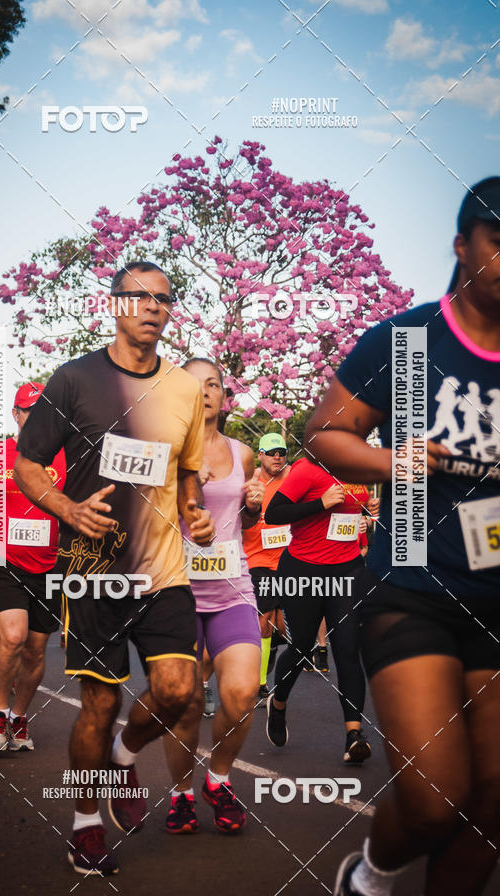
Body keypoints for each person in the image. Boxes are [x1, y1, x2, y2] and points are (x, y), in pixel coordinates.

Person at [304, 178, 500, 896]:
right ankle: (371, 875)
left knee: (491, 808)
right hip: (414, 583)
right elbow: (323, 433)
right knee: (436, 797)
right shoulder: (412, 341)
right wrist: (395, 460)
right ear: (463, 246)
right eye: (497, 240)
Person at [14, 261, 214, 876]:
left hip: (163, 568)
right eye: (142, 297)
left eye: (165, 299)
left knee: (182, 690)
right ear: (116, 305)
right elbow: (27, 463)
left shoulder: (183, 388)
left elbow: (187, 476)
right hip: (95, 568)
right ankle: (85, 824)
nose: (155, 307)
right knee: (98, 704)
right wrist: (65, 506)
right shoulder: (74, 378)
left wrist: (195, 513)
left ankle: (127, 757)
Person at [163, 358, 263, 835]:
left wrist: (256, 506)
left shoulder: (243, 454)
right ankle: (181, 793)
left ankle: (218, 780)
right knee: (182, 704)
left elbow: (246, 521)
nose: (204, 391)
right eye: (194, 383)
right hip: (177, 593)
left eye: (214, 384)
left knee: (242, 692)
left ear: (225, 396)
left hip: (232, 590)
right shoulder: (163, 453)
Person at [0, 382, 67, 752]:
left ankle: (19, 717)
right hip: (3, 557)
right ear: (16, 414)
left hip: (51, 564)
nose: (35, 418)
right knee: (12, 636)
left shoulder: (64, 458)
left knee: (36, 650)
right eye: (28, 411)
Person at [263, 459, 372, 764]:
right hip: (304, 569)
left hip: (348, 568)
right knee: (301, 645)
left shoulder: (356, 467)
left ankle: (354, 736)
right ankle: (279, 703)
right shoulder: (308, 470)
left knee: (348, 648)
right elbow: (273, 514)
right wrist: (320, 504)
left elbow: (350, 511)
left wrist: (363, 517)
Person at [241, 433, 290, 700]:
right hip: (255, 558)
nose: (277, 457)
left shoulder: (293, 479)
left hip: (286, 559)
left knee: (276, 624)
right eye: (271, 453)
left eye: (281, 452)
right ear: (260, 455)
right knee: (264, 618)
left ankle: (267, 650)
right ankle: (259, 683)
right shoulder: (249, 482)